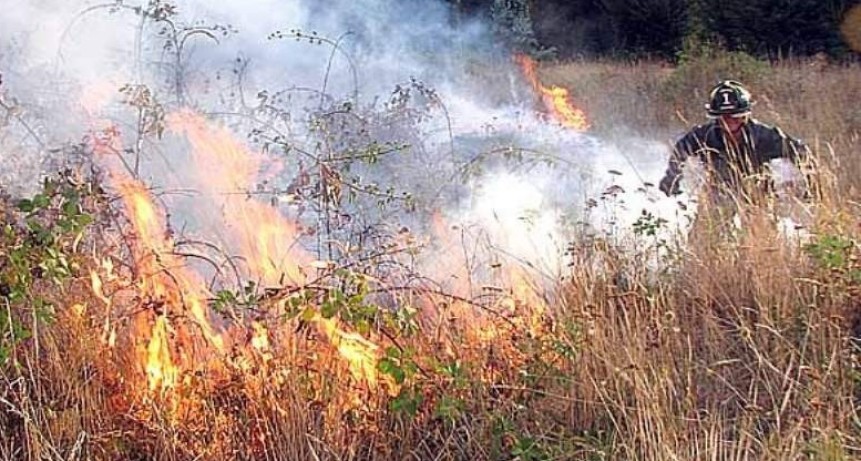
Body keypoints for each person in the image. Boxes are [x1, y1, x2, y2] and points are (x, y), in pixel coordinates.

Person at [657, 80, 814, 244]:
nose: (730, 123)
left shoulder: (765, 135)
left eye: (736, 117)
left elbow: (800, 152)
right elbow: (682, 148)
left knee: (761, 240)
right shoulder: (704, 135)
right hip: (719, 190)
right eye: (724, 118)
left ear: (746, 114)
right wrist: (671, 177)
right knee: (703, 239)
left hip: (758, 191)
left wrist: (809, 183)